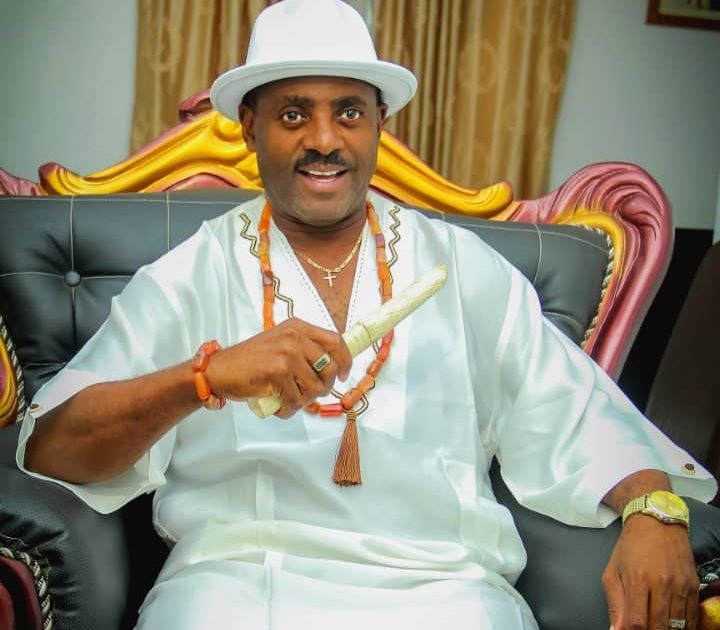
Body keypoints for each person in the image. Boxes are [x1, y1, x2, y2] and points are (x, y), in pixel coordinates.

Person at [16, 0, 716, 628]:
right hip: (236, 585)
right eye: (294, 114)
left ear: (381, 121)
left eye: (349, 112)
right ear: (250, 127)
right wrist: (203, 379)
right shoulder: (188, 276)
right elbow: (55, 447)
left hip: (450, 591)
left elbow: (574, 411)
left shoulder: (462, 268)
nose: (324, 139)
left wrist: (652, 508)